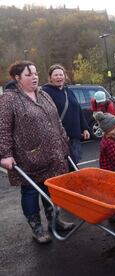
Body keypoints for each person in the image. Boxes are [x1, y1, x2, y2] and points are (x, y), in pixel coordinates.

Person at [0, 61, 74, 244]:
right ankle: (37, 228)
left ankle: (55, 221)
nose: (34, 77)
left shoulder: (43, 94)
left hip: (53, 155)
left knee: (51, 190)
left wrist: (64, 141)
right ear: (17, 78)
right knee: (31, 192)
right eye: (28, 74)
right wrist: (5, 154)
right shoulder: (9, 99)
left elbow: (57, 121)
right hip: (27, 158)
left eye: (35, 73)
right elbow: (3, 129)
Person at [42, 64, 90, 165]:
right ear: (50, 78)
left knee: (74, 163)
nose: (59, 77)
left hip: (74, 138)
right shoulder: (45, 92)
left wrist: (85, 128)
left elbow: (78, 110)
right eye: (56, 75)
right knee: (62, 166)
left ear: (65, 76)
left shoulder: (69, 91)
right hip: (59, 139)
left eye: (61, 74)